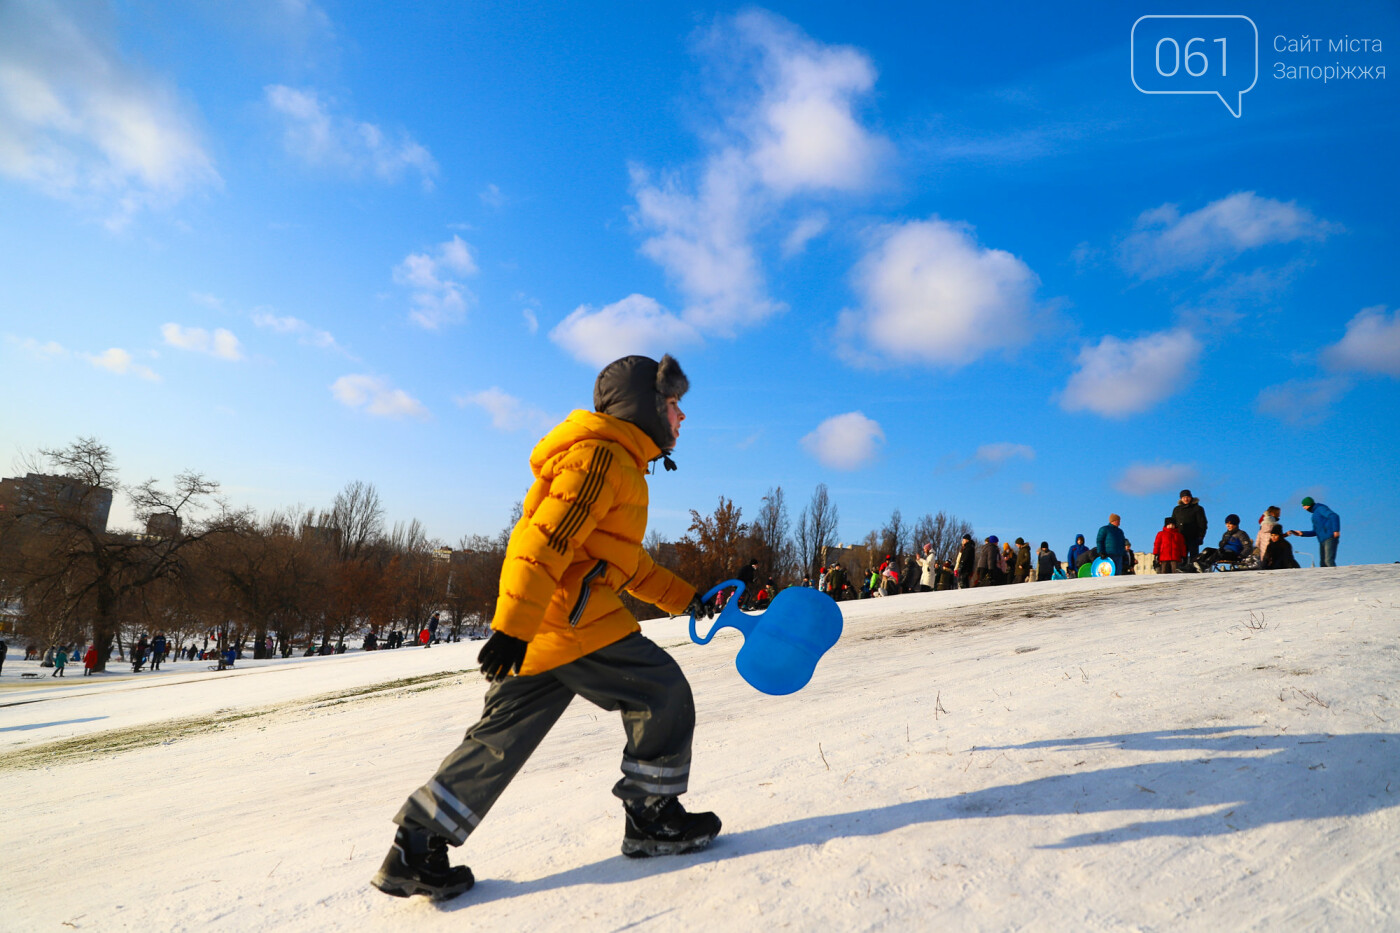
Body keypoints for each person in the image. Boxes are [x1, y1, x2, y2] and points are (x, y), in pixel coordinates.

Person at [372, 354, 719, 902]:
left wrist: (690, 599)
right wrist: (511, 625)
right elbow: (541, 543)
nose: (682, 417)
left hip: (549, 627)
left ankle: (416, 846)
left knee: (500, 738)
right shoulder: (603, 458)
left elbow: (627, 566)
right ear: (648, 407)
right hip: (574, 622)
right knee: (661, 689)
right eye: (674, 404)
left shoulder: (619, 463)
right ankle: (653, 817)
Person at [1289, 497, 1340, 567]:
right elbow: (1315, 532)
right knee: (1323, 563)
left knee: (1328, 561)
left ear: (1309, 504)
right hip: (1322, 540)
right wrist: (1302, 533)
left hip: (1330, 537)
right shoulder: (1314, 515)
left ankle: (1335, 575)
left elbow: (1334, 516)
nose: (1303, 508)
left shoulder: (1320, 509)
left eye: (1304, 505)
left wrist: (1336, 530)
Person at [1171, 490, 1208, 571]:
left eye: (1187, 497)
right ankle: (1182, 568)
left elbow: (1202, 523)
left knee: (1193, 556)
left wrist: (1201, 535)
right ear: (1181, 499)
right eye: (1183, 497)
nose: (1186, 499)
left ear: (1191, 497)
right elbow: (1173, 522)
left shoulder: (1197, 509)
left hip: (1193, 536)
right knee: (1182, 555)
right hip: (1180, 536)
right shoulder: (1177, 509)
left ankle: (1193, 569)